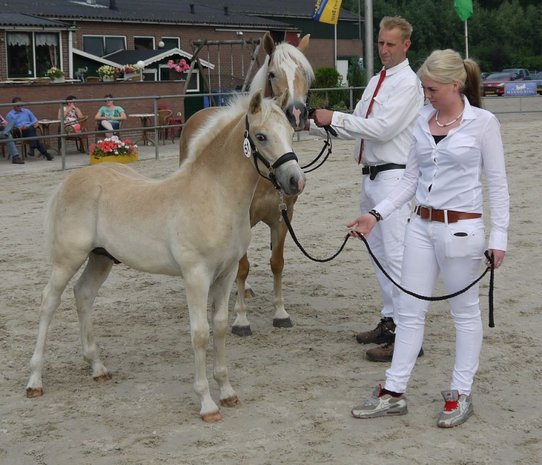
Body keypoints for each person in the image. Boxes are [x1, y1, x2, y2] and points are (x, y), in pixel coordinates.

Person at [347, 49, 509, 428]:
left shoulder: (483, 123)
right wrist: (375, 215)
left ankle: (460, 392)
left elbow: (498, 186)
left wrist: (498, 237)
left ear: (456, 84)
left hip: (462, 231)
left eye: (432, 89)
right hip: (419, 225)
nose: (427, 95)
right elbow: (409, 180)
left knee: (464, 314)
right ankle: (394, 390)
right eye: (424, 88)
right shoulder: (423, 119)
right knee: (408, 309)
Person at [310, 16, 424, 362]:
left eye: (391, 44)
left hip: (395, 176)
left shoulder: (409, 84)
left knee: (397, 257)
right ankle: (390, 321)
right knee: (379, 255)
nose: (384, 49)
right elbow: (355, 129)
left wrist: (336, 118)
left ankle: (409, 335)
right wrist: (311, 123)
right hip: (372, 176)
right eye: (380, 43)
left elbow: (383, 128)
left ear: (406, 45)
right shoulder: (377, 80)